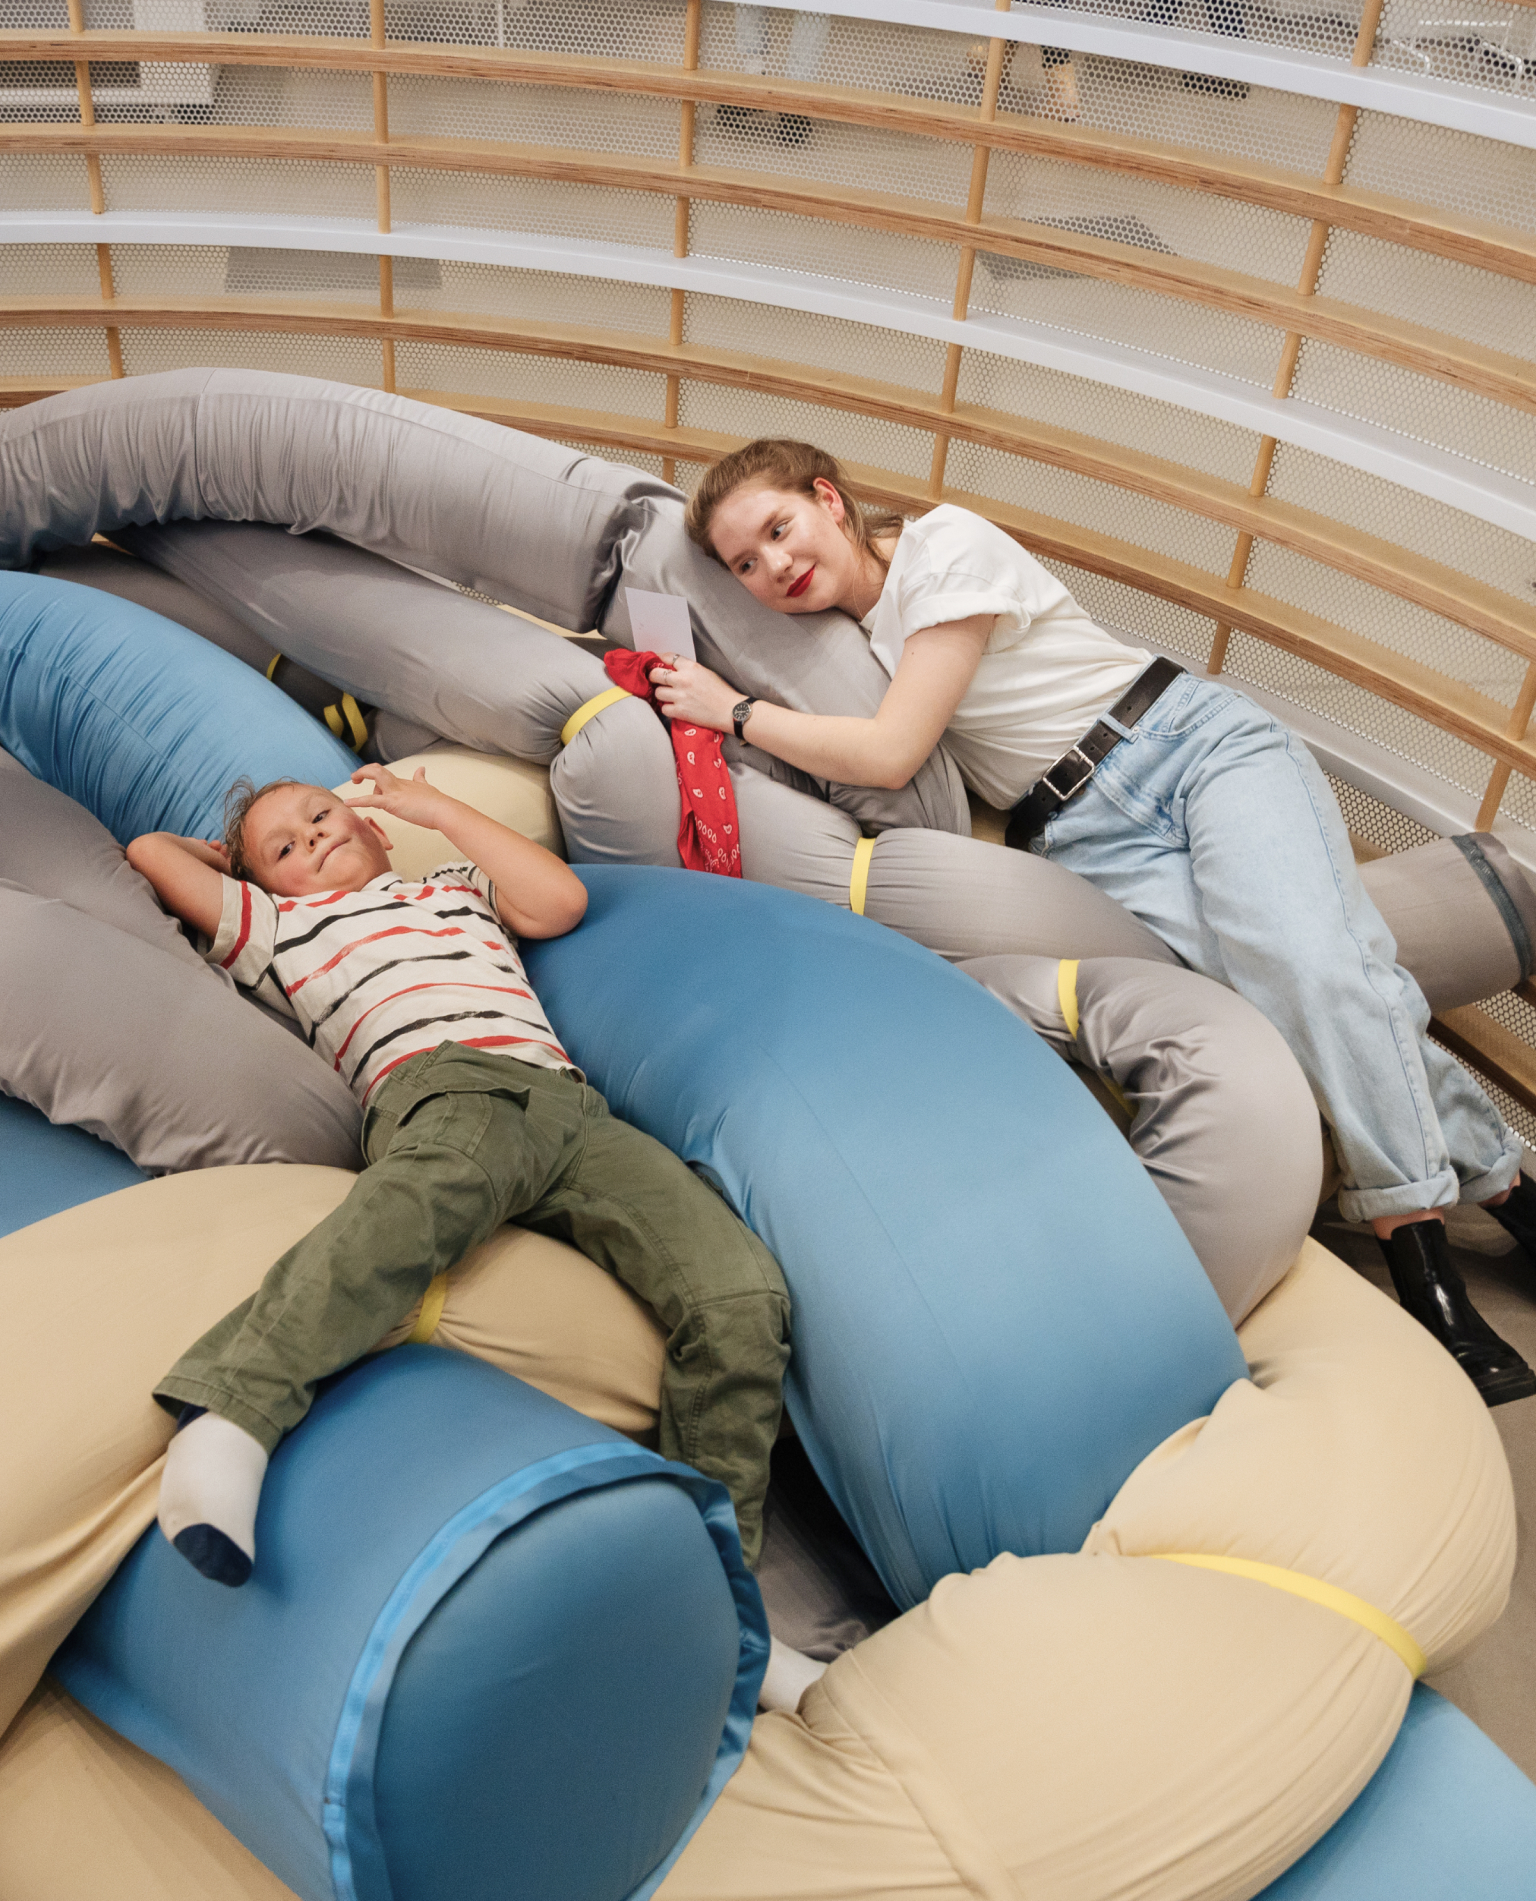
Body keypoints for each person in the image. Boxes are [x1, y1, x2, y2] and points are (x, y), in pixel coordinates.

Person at [650, 436, 1536, 1407]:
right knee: (1283, 995)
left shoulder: (945, 547)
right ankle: (1509, 1188)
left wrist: (734, 711)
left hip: (1185, 746)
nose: (773, 566)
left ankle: (1422, 1263)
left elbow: (892, 751)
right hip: (1082, 837)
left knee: (1304, 961)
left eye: (780, 529)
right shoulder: (846, 646)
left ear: (829, 498)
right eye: (744, 562)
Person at [126, 764, 792, 1585]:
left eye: (321, 815)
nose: (313, 838)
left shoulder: (454, 886)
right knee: (410, 1210)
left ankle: (713, 1576)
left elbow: (561, 900)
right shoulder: (283, 925)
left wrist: (435, 807)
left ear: (374, 826)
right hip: (447, 1085)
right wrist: (225, 861)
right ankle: (231, 1410)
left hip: (572, 1108)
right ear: (262, 885)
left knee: (740, 1292)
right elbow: (150, 852)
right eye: (284, 849)